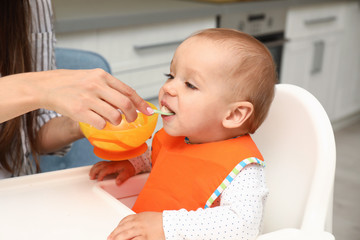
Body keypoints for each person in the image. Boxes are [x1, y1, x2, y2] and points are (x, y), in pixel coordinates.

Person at [90, 28, 277, 240]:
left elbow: (243, 226)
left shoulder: (242, 169)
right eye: (171, 75)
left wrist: (166, 226)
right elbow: (169, 162)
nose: (168, 88)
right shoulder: (182, 137)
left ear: (234, 114)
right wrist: (135, 163)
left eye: (190, 85)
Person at [0, 0, 151, 178]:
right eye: (171, 77)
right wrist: (40, 87)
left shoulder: (33, 4)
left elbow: (30, 132)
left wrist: (82, 122)